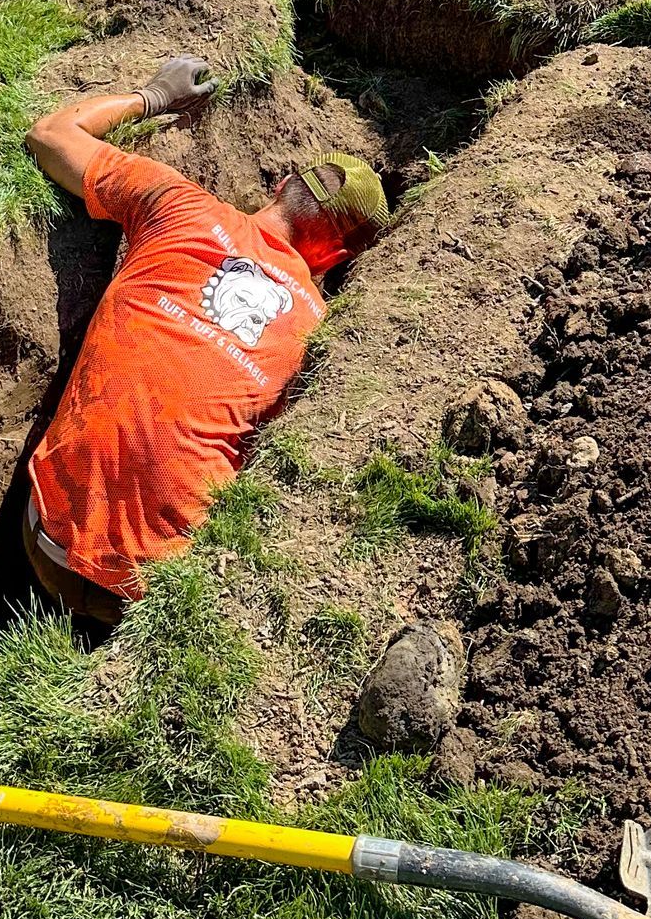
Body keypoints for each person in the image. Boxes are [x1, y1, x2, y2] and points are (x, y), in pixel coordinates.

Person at [20, 56, 390, 634]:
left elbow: (49, 135)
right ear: (337, 259)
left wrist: (152, 97)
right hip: (151, 600)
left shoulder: (177, 204)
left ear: (281, 185)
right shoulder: (319, 334)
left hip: (47, 537)